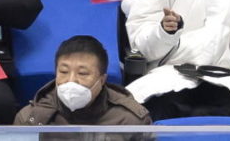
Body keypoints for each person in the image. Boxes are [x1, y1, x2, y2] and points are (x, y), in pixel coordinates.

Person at [13, 35, 151, 130]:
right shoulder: (31, 118)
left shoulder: (130, 119)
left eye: (83, 73)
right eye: (64, 72)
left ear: (102, 80)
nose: (71, 80)